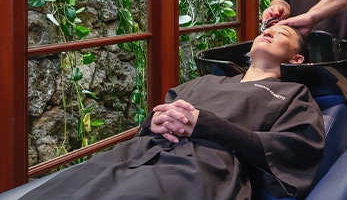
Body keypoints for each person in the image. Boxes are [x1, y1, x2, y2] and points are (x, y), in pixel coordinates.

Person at [21, 25, 325, 200]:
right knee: (60, 190)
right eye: (267, 29)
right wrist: (153, 121)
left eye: (282, 32)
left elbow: (294, 149)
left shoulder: (294, 94)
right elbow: (160, 114)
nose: (269, 32)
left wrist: (207, 125)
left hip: (203, 168)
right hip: (140, 152)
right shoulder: (208, 81)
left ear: (296, 59)